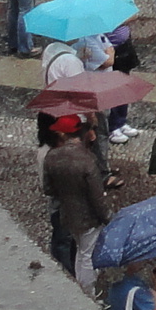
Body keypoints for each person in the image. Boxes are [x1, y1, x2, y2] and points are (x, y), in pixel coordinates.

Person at [41, 112, 109, 288]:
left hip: (66, 214)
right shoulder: (87, 160)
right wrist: (107, 217)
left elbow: (48, 189)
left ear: (63, 134)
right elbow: (97, 197)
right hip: (88, 218)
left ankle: (79, 285)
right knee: (87, 255)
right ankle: (87, 291)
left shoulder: (51, 157)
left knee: (80, 251)